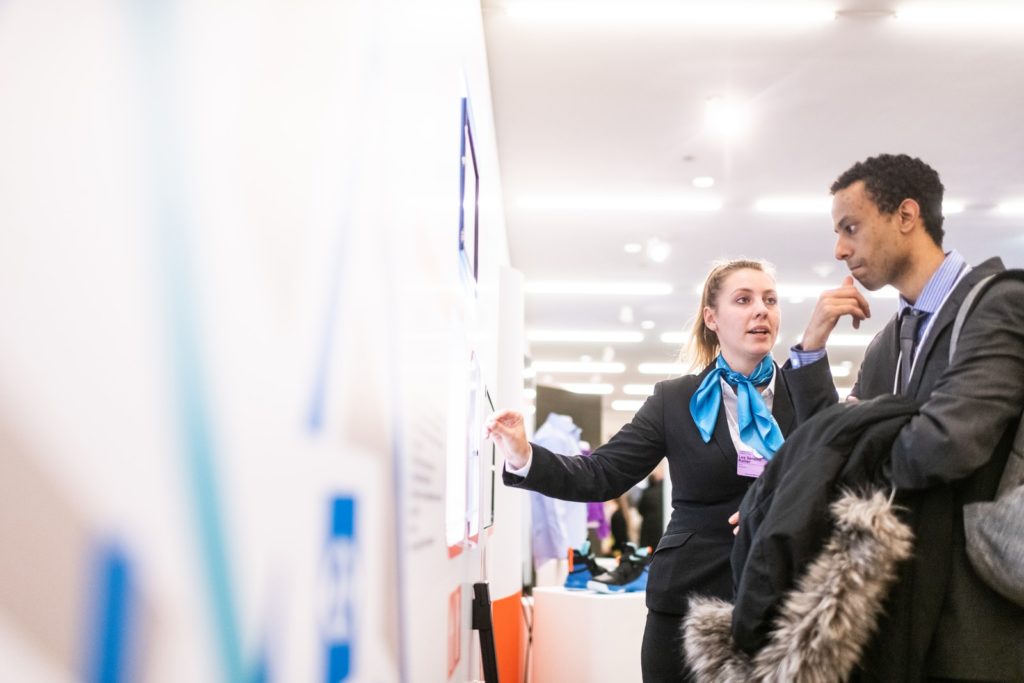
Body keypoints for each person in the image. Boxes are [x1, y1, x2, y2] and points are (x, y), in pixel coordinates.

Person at [486, 259, 832, 682]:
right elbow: (603, 474)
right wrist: (523, 454)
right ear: (711, 318)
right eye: (743, 300)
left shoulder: (805, 393)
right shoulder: (675, 400)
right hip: (688, 601)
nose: (761, 310)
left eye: (770, 300)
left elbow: (835, 480)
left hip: (782, 600)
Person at [788, 153, 1024, 680]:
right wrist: (809, 352)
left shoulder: (996, 305)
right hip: (906, 613)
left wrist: (851, 458)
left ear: (906, 216)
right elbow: (833, 444)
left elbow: (943, 446)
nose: (839, 249)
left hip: (978, 622)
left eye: (851, 227)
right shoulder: (888, 345)